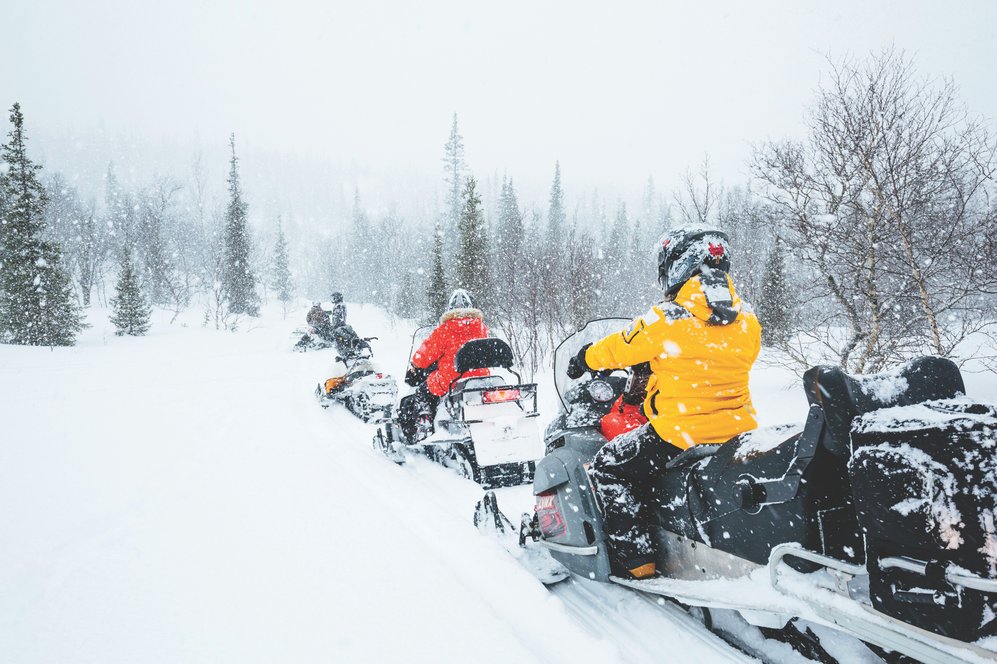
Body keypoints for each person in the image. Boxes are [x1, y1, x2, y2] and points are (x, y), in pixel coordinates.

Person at [566, 226, 761, 580]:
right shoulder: (747, 320)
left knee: (608, 466)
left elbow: (619, 346)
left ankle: (636, 562)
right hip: (738, 431)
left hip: (680, 432)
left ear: (677, 266)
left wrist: (585, 358)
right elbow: (710, 360)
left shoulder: (668, 318)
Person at [399, 289, 488, 441]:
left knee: (423, 391)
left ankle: (424, 426)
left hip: (451, 381)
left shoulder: (445, 330)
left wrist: (415, 364)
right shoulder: (481, 328)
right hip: (480, 380)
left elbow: (423, 357)